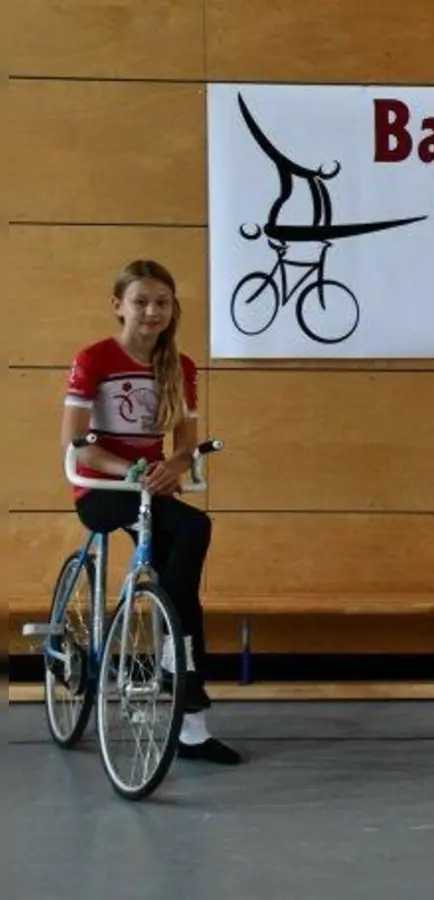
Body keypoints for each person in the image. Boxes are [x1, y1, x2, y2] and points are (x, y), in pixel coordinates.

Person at [62, 259, 242, 766]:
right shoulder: (94, 358)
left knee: (190, 548)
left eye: (162, 302)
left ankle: (190, 720)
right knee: (182, 575)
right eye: (140, 301)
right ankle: (174, 637)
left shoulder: (178, 366)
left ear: (172, 309)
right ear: (118, 306)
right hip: (101, 485)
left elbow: (184, 446)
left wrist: (175, 464)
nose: (151, 311)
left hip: (147, 484)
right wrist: (135, 470)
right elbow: (77, 443)